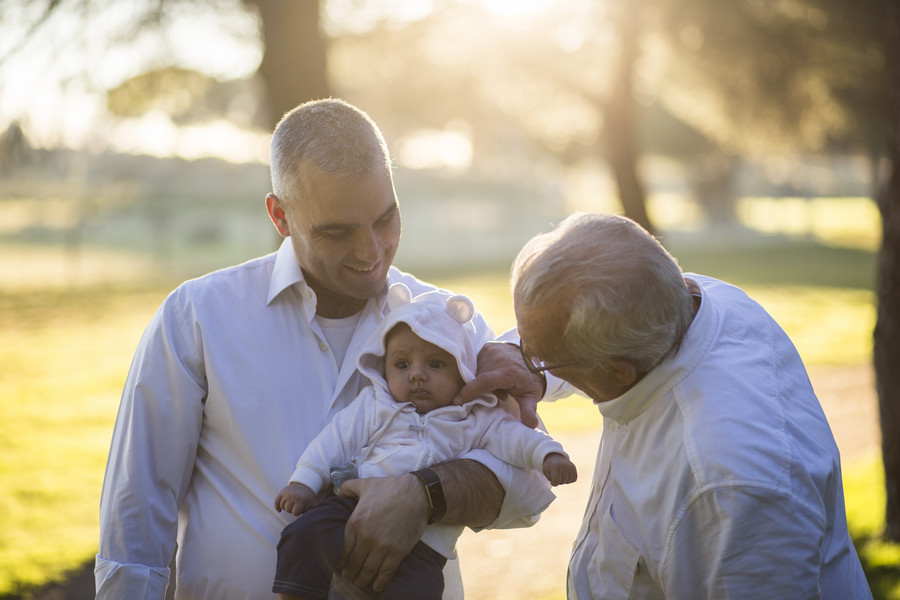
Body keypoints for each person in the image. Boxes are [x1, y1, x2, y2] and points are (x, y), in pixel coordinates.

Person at [95, 98, 566, 600]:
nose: (371, 251)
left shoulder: (443, 322)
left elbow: (526, 492)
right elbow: (136, 517)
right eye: (337, 231)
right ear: (280, 215)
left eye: (385, 219)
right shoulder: (197, 317)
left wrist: (424, 494)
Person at [508, 212, 873, 599]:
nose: (529, 359)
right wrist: (523, 361)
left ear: (619, 372)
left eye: (538, 357)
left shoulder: (728, 489)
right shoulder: (688, 302)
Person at [272, 284, 577, 599]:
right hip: (349, 506)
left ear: (463, 369)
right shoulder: (375, 405)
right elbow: (332, 442)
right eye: (402, 365)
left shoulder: (476, 418)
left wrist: (549, 455)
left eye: (435, 364)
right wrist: (304, 482)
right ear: (384, 366)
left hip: (425, 539)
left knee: (420, 588)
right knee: (303, 534)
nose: (417, 375)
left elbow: (519, 438)